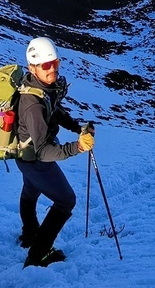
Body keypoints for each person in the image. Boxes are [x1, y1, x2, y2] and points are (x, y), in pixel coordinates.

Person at [15, 36, 95, 268]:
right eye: (46, 65)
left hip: (25, 157)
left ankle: (30, 235)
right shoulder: (33, 104)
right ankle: (37, 255)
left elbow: (55, 110)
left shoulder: (41, 88)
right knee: (66, 200)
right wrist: (77, 147)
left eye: (56, 63)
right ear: (32, 67)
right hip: (35, 160)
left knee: (30, 192)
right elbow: (43, 151)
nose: (53, 70)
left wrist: (76, 127)